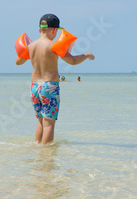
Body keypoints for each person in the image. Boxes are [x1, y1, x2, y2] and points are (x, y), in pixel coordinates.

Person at [15, 14, 95, 144]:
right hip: (49, 87)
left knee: (41, 121)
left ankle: (37, 148)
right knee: (49, 124)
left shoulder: (30, 47)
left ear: (39, 29)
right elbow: (72, 61)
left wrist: (24, 52)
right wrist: (86, 55)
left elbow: (18, 62)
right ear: (54, 30)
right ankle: (46, 156)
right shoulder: (54, 46)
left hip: (34, 87)